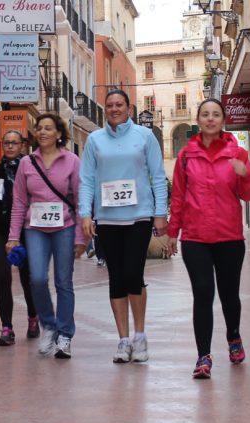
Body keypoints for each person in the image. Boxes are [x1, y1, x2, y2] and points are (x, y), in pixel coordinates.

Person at [167, 98, 250, 379]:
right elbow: (178, 197)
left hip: (229, 236)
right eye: (205, 114)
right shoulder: (185, 157)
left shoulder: (237, 154)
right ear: (198, 119)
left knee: (229, 295)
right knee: (203, 294)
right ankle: (203, 356)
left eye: (216, 114)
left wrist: (246, 175)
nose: (210, 119)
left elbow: (248, 195)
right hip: (195, 238)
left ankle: (234, 336)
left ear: (223, 120)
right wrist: (172, 232)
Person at [79, 89, 168, 364]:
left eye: (119, 105)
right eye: (110, 105)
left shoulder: (144, 136)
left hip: (139, 217)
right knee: (116, 278)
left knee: (133, 274)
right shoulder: (94, 140)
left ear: (129, 108)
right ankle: (123, 340)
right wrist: (85, 214)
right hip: (107, 219)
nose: (114, 109)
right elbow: (87, 180)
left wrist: (160, 213)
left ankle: (140, 336)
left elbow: (158, 175)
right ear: (105, 109)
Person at [6, 113, 86, 359]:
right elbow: (19, 200)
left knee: (63, 281)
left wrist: (81, 237)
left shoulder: (72, 161)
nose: (42, 132)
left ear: (59, 134)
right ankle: (49, 326)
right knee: (38, 278)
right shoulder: (27, 163)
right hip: (35, 229)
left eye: (48, 128)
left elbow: (80, 199)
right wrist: (13, 236)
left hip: (65, 227)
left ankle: (64, 335)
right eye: (39, 128)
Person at [0, 130, 39, 346]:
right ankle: (7, 327)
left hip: (27, 230)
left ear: (22, 146)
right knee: (3, 275)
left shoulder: (32, 171)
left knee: (28, 278)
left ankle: (33, 317)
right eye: (6, 143)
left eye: (14, 143)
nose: (10, 146)